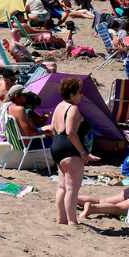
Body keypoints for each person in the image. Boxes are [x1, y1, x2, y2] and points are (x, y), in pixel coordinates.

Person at [49, 78, 96, 225]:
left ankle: (61, 219)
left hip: (56, 147)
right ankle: (72, 221)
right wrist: (83, 152)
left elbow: (52, 128)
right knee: (72, 188)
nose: (81, 95)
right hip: (70, 149)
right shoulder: (73, 109)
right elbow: (70, 132)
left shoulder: (59, 106)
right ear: (72, 94)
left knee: (62, 187)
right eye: (79, 93)